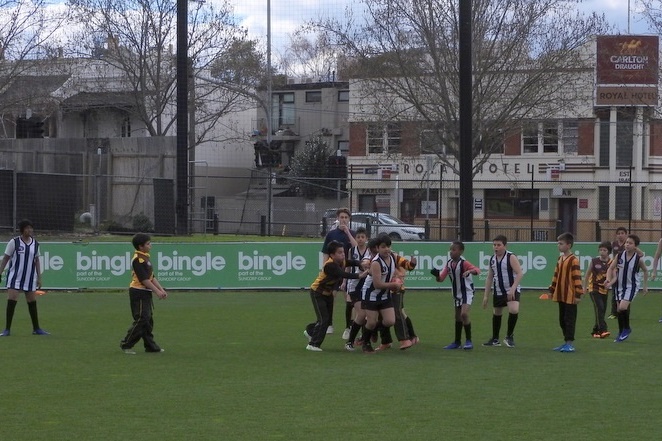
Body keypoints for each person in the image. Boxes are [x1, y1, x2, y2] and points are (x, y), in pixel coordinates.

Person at [304, 240, 367, 352]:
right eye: (339, 252)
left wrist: (360, 263)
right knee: (324, 319)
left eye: (343, 252)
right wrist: (359, 275)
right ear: (332, 255)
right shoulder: (330, 265)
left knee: (326, 320)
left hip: (327, 294)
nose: (343, 254)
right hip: (317, 293)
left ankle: (310, 331)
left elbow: (351, 262)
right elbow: (343, 274)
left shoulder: (341, 262)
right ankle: (313, 344)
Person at [119, 233, 168, 354]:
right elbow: (144, 280)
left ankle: (151, 346)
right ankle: (127, 344)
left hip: (145, 292)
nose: (150, 245)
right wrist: (157, 292)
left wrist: (161, 289)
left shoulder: (145, 257)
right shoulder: (138, 259)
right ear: (141, 246)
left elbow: (151, 277)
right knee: (142, 318)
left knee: (148, 320)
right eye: (148, 243)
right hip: (138, 292)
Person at [0, 219, 49, 336]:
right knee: (12, 300)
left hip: (29, 278)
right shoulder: (14, 242)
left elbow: (36, 260)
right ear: (22, 230)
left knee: (32, 302)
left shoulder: (35, 244)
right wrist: (0, 272)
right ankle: (7, 329)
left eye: (31, 228)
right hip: (15, 277)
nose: (30, 230)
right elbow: (6, 258)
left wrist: (39, 277)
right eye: (27, 228)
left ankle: (36, 328)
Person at [359, 234, 403, 353]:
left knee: (390, 321)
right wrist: (393, 285)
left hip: (384, 294)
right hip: (371, 294)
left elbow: (396, 272)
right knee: (372, 322)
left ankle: (372, 330)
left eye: (388, 246)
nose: (387, 249)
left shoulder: (393, 257)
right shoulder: (376, 263)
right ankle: (366, 343)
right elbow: (377, 284)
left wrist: (397, 278)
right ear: (377, 248)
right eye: (383, 247)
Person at [432, 241, 480, 350]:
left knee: (464, 314)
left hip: (467, 292)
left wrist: (470, 272)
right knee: (457, 317)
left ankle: (468, 340)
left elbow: (477, 270)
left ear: (461, 251)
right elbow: (441, 279)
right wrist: (436, 275)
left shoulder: (464, 263)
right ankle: (457, 342)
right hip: (456, 293)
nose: (451, 252)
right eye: (450, 249)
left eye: (454, 250)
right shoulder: (449, 264)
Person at [605, 234, 648, 343]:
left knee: (623, 307)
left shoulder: (638, 259)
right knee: (619, 309)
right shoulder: (619, 256)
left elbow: (645, 270)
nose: (627, 245)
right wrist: (608, 279)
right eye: (626, 242)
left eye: (630, 243)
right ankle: (621, 333)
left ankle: (627, 328)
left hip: (631, 286)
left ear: (635, 246)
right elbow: (610, 268)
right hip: (619, 287)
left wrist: (645, 286)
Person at [321, 207, 358, 335]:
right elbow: (326, 252)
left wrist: (347, 233)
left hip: (347, 270)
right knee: (331, 296)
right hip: (333, 271)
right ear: (337, 218)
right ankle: (329, 324)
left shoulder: (352, 233)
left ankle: (349, 327)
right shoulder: (331, 234)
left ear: (349, 219)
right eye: (341, 217)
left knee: (349, 298)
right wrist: (324, 268)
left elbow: (356, 248)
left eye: (346, 217)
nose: (343, 220)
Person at [481, 235, 523, 348]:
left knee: (514, 310)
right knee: (497, 313)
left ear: (505, 245)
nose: (496, 247)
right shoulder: (492, 259)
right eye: (494, 245)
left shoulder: (510, 257)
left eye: (499, 245)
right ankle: (495, 339)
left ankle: (509, 336)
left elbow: (519, 273)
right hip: (498, 290)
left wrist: (513, 289)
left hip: (511, 289)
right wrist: (486, 296)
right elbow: (490, 277)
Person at [549, 233, 584, 353]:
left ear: (568, 245)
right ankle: (565, 342)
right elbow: (556, 275)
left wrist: (578, 294)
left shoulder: (573, 260)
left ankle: (570, 343)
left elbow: (577, 277)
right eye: (558, 243)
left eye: (561, 243)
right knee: (562, 319)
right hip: (561, 295)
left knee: (569, 319)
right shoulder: (560, 259)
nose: (558, 246)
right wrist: (552, 289)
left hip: (570, 295)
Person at [583, 241, 613, 339]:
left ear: (609, 252)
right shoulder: (594, 261)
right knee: (599, 307)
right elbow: (587, 275)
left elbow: (615, 276)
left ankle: (595, 331)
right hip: (594, 288)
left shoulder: (611, 262)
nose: (602, 252)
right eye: (600, 250)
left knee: (602, 310)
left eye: (604, 250)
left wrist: (610, 283)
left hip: (604, 289)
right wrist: (584, 287)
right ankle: (603, 330)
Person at [608, 227, 628, 319]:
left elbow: (640, 254)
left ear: (626, 234)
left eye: (622, 233)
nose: (620, 235)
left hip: (625, 272)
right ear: (616, 235)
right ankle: (614, 313)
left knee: (626, 292)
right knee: (614, 291)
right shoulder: (613, 244)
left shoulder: (628, 244)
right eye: (618, 233)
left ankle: (625, 311)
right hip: (615, 271)